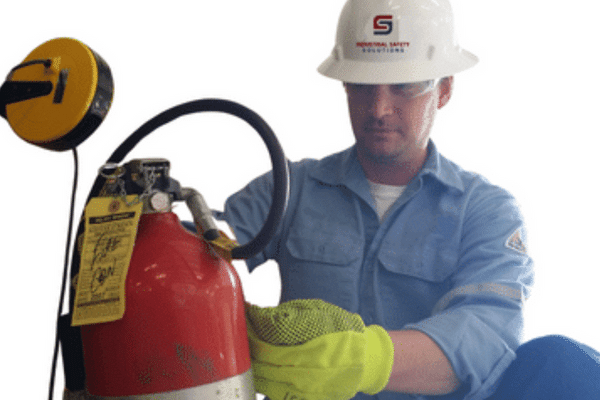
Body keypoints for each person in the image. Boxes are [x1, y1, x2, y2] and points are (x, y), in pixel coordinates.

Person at [217, 1, 600, 399]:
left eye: (404, 86)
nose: (379, 108)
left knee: (566, 364)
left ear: (445, 88)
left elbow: (484, 338)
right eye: (363, 86)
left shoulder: (485, 211)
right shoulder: (289, 189)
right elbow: (203, 246)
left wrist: (365, 359)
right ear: (344, 85)